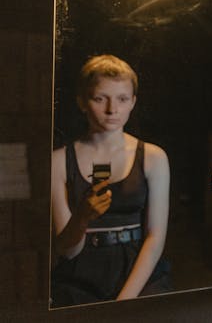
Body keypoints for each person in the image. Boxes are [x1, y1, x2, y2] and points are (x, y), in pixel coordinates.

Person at [50, 54, 171, 307]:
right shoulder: (59, 161)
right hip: (81, 277)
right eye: (99, 98)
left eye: (122, 99)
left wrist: (123, 303)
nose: (112, 109)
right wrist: (82, 217)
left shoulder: (152, 157)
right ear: (82, 101)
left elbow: (155, 238)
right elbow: (67, 250)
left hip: (140, 274)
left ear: (133, 102)